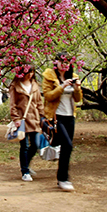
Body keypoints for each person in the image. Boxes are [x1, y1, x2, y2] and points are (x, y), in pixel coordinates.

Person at [42, 52, 83, 192]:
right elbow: (48, 96)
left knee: (67, 147)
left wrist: (77, 88)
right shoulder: (49, 76)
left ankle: (62, 178)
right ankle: (64, 178)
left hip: (70, 116)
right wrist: (62, 86)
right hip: (56, 116)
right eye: (61, 62)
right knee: (67, 144)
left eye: (67, 62)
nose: (64, 65)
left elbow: (77, 99)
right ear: (56, 63)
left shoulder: (74, 77)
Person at [8, 63, 45, 182]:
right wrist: (16, 118)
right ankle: (25, 171)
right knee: (24, 146)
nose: (31, 75)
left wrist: (42, 116)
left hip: (34, 118)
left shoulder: (34, 85)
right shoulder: (15, 85)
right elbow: (12, 104)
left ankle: (26, 164)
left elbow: (39, 102)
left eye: (32, 72)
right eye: (28, 72)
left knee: (36, 144)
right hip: (22, 119)